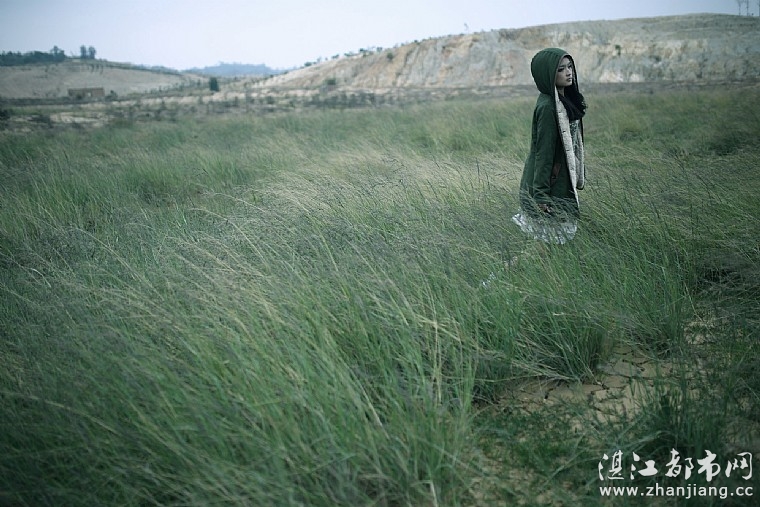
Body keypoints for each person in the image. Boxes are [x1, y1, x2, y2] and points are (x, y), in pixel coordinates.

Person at [512, 48, 587, 244]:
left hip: (559, 178)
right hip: (549, 183)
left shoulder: (564, 100)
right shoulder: (547, 107)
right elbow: (543, 154)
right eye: (561, 69)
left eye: (569, 67)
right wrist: (541, 195)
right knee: (544, 245)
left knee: (547, 245)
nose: (568, 73)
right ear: (547, 74)